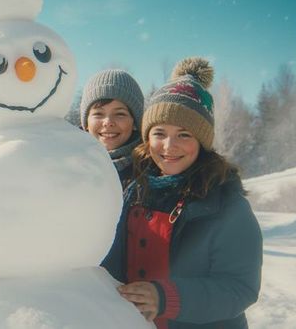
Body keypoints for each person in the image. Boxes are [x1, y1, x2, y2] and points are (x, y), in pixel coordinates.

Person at [102, 57, 262, 329]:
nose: (169, 146)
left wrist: (166, 298)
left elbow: (239, 288)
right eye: (159, 133)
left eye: (184, 134)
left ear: (202, 141)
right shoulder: (135, 191)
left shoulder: (226, 204)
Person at [80, 69, 144, 188]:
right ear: (86, 122)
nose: (108, 122)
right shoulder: (66, 164)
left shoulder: (149, 172)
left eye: (120, 114)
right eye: (98, 114)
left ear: (134, 122)